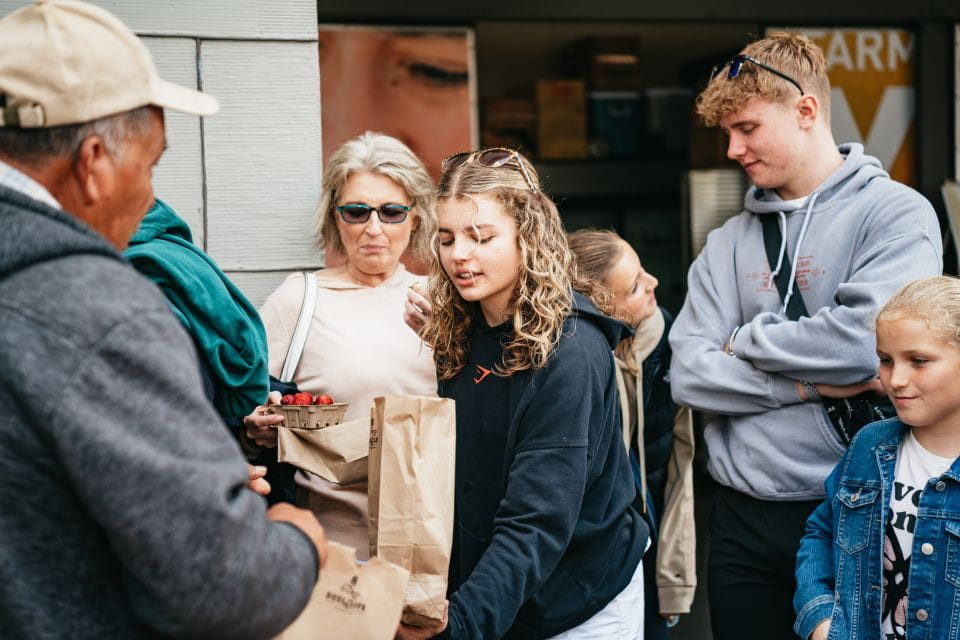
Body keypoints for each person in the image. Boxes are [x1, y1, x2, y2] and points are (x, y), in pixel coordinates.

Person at [0, 1, 326, 637]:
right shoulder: (97, 306)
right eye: (149, 166)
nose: (151, 196)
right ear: (93, 161)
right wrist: (295, 540)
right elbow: (224, 586)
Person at [669, 32, 942, 640]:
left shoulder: (897, 214)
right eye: (727, 134)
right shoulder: (726, 240)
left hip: (855, 510)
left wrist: (740, 338)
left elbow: (859, 343)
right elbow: (687, 372)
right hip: (739, 518)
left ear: (807, 111)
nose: (733, 149)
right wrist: (809, 388)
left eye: (745, 128)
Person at [401, 148, 649, 639]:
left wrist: (464, 624)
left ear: (528, 238)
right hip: (500, 595)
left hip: (580, 602)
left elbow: (536, 519)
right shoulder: (464, 331)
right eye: (447, 238)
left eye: (482, 236)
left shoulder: (570, 354)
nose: (459, 255)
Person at [255, 131, 437, 559]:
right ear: (336, 217)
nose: (374, 228)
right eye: (357, 212)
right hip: (330, 549)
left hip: (434, 545)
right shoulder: (299, 299)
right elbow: (244, 405)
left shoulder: (443, 300)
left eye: (392, 212)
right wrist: (256, 428)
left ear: (415, 218)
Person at [795, 276, 960, 640]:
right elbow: (822, 533)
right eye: (885, 360)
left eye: (918, 360)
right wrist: (821, 622)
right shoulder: (870, 445)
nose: (895, 379)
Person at [568, 229, 696, 639]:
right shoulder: (575, 361)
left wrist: (674, 579)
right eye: (637, 284)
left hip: (651, 544)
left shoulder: (669, 344)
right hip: (590, 558)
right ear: (604, 306)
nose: (655, 282)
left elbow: (681, 467)